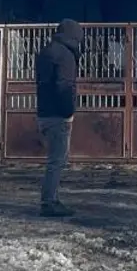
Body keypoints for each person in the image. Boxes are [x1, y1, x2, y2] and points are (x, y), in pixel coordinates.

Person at [35, 18, 83, 218]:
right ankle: (49, 202)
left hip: (44, 111)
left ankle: (51, 199)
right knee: (56, 161)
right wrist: (68, 111)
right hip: (58, 115)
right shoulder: (65, 55)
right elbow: (65, 86)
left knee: (54, 159)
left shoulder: (45, 52)